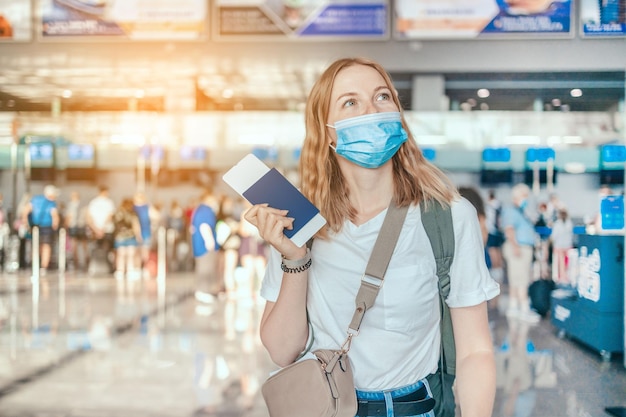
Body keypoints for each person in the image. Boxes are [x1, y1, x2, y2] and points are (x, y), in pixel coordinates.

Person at [244, 57, 500, 417]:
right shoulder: (300, 221)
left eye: (382, 97)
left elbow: (475, 350)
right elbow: (282, 350)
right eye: (350, 102)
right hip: (328, 406)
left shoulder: (448, 217)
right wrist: (295, 259)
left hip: (414, 407)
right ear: (327, 131)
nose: (372, 111)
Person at [501, 183, 541, 323]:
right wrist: (515, 246)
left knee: (516, 279)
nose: (526, 199)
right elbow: (509, 229)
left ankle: (513, 307)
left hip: (521, 247)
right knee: (521, 279)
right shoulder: (511, 211)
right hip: (518, 248)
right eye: (524, 196)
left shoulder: (521, 211)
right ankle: (524, 308)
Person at [191, 189, 221, 303]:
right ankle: (202, 291)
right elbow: (205, 226)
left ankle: (206, 290)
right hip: (205, 246)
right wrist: (210, 242)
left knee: (204, 267)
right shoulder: (206, 210)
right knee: (206, 268)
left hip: (199, 245)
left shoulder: (199, 209)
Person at [22, 185, 60, 275]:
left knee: (36, 245)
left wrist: (25, 222)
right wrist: (56, 225)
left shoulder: (35, 199)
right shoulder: (51, 203)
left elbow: (26, 210)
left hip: (35, 226)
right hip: (47, 226)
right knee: (46, 246)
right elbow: (55, 215)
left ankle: (35, 263)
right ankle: (43, 266)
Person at [550, 208, 573, 285]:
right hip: (567, 245)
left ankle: (562, 277)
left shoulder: (557, 224)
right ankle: (566, 277)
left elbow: (554, 236)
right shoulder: (569, 223)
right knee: (567, 262)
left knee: (561, 263)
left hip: (559, 246)